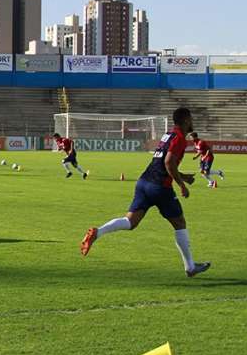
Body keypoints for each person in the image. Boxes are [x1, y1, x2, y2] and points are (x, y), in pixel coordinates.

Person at [80, 107, 210, 278]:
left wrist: (183, 177)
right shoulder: (179, 139)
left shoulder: (168, 135)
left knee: (130, 222)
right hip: (160, 187)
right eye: (191, 119)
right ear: (186, 120)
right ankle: (190, 267)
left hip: (143, 182)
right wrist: (181, 185)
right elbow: (169, 162)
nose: (192, 122)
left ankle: (98, 232)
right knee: (180, 223)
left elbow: (163, 162)